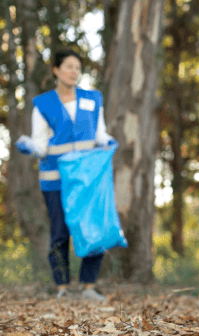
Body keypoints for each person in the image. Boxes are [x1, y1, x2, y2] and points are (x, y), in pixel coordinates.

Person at [15, 49, 115, 300]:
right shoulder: (43, 104)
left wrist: (110, 141)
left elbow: (100, 134)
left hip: (87, 179)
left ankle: (88, 286)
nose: (74, 71)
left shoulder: (93, 99)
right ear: (56, 70)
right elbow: (40, 144)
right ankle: (62, 288)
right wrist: (28, 146)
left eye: (77, 68)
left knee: (91, 229)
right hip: (55, 179)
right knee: (59, 232)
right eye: (68, 66)